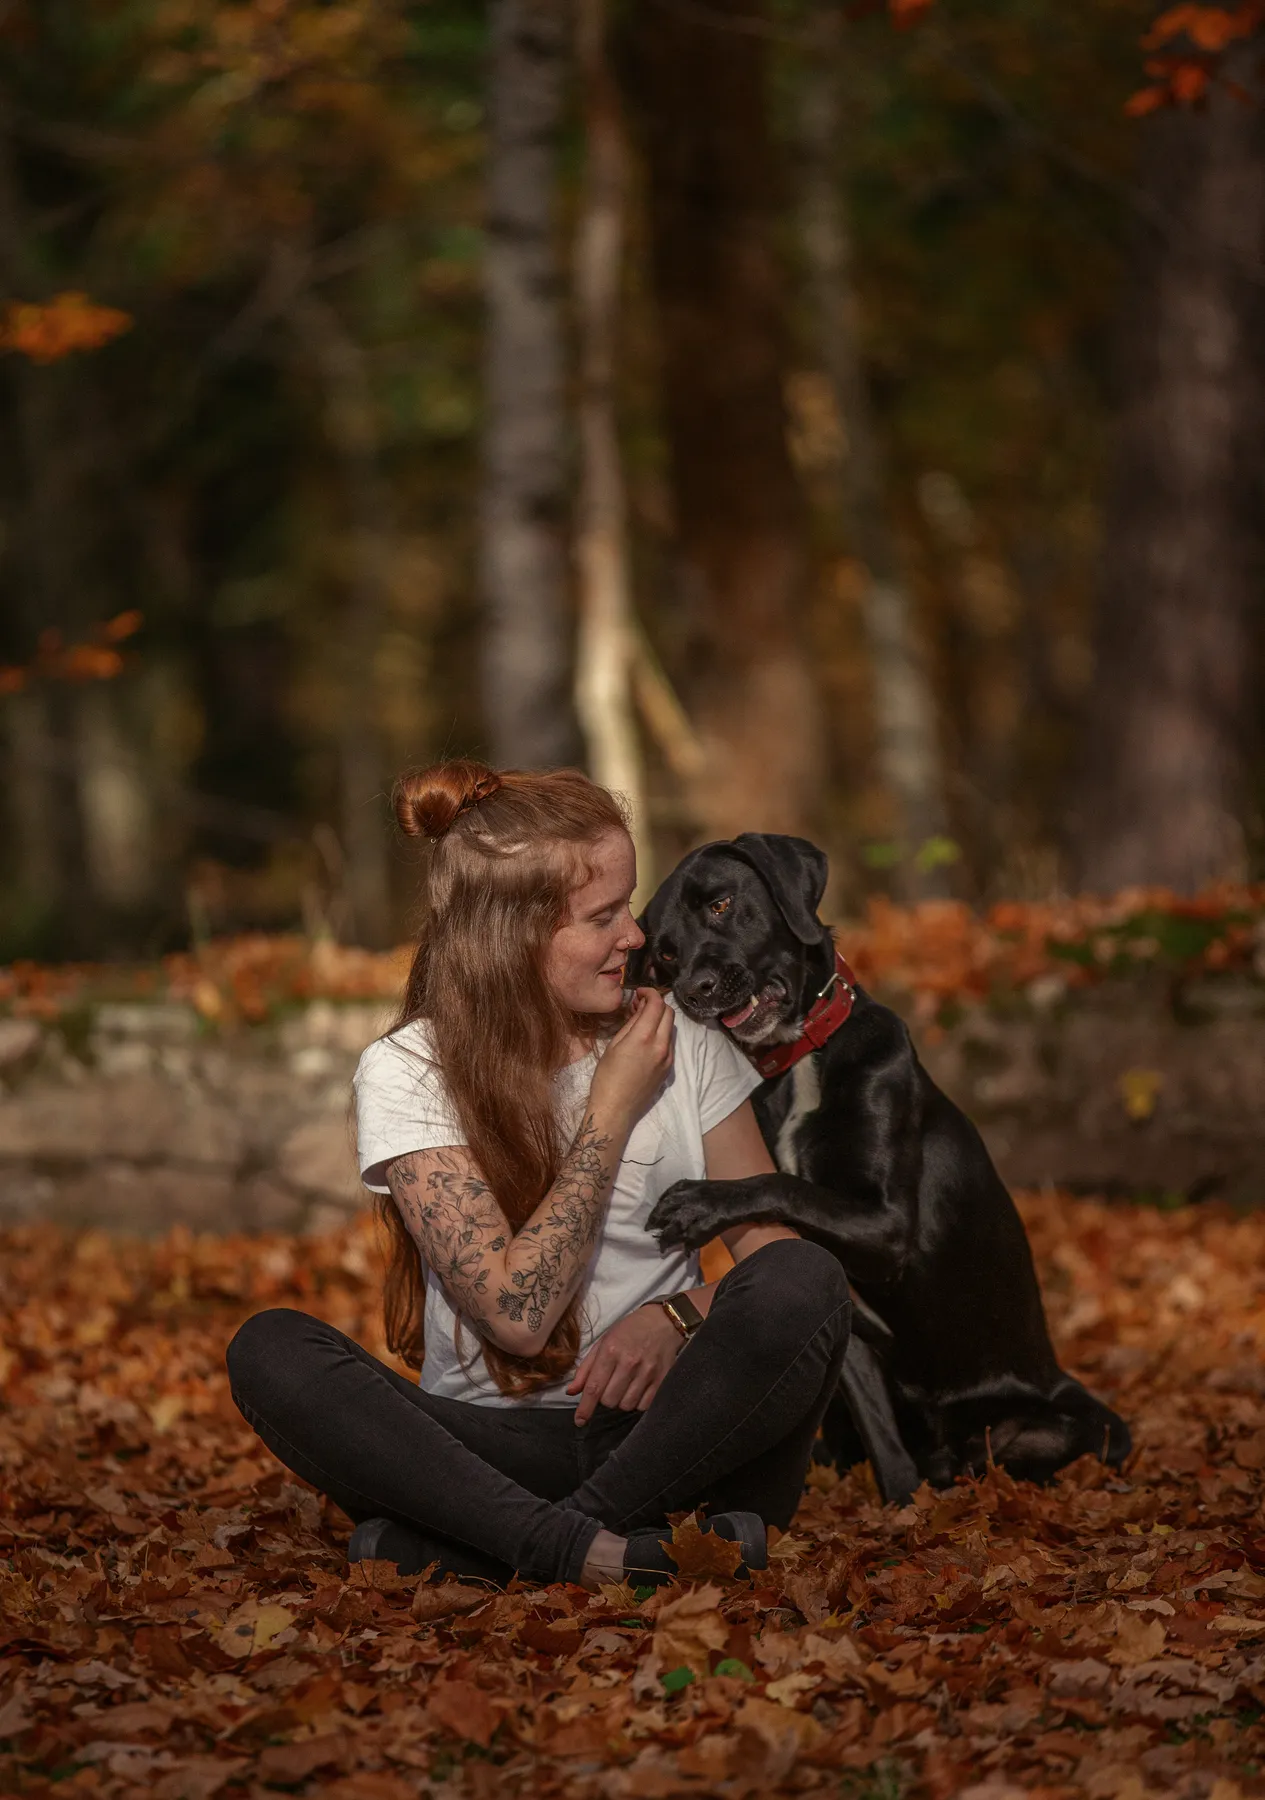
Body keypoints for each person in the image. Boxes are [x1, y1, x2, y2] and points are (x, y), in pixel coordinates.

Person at [226, 761, 851, 1589]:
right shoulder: (410, 1069)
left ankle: (502, 1550)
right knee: (270, 1349)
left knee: (808, 1279)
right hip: (487, 1452)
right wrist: (609, 1110)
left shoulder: (677, 1037)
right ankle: (613, 1551)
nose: (634, 937)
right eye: (602, 917)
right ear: (513, 936)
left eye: (627, 906)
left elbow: (770, 1255)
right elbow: (517, 1318)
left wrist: (677, 1318)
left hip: (675, 1434)